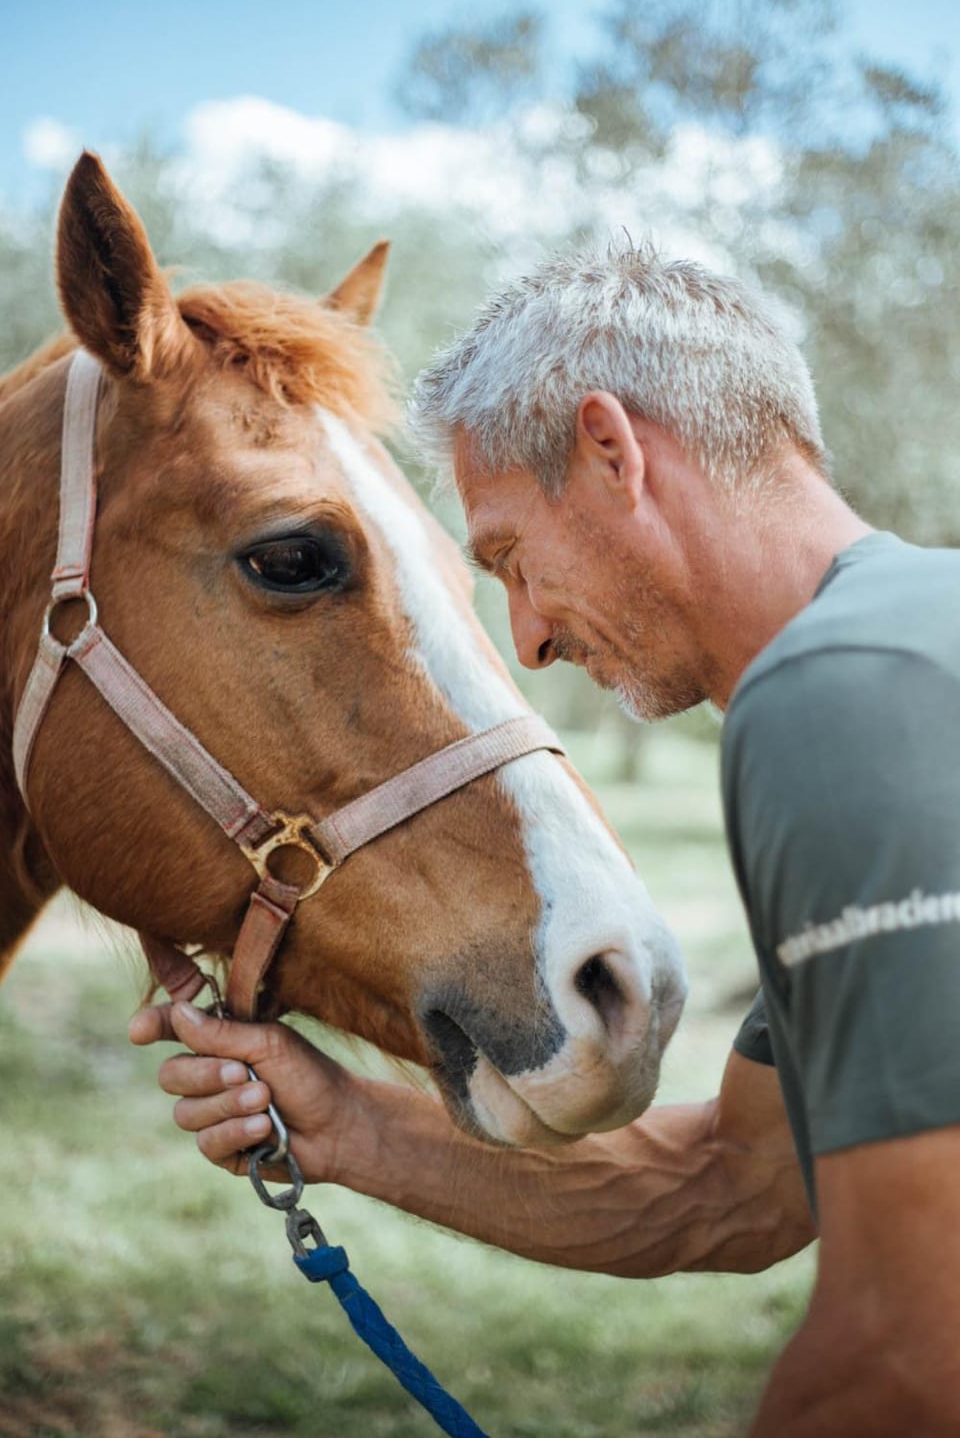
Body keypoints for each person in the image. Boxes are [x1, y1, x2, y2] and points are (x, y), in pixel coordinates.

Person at [130, 243, 960, 1437]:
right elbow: (738, 1188)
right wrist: (349, 1123)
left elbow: (908, 1352)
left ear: (613, 452)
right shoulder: (913, 651)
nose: (528, 640)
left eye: (511, 558)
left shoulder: (840, 693)